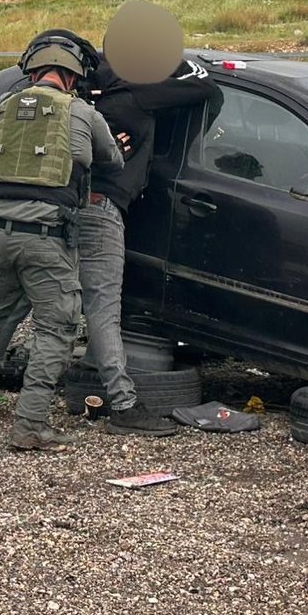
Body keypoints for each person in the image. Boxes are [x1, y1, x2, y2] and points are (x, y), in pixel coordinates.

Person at [0, 32, 123, 451]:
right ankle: (30, 426)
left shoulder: (4, 106)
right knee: (57, 330)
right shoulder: (83, 114)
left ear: (32, 70)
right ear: (74, 77)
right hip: (47, 240)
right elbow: (113, 159)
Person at [79, 53, 221, 436]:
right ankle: (124, 406)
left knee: (14, 302)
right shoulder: (138, 91)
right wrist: (176, 61)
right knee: (103, 309)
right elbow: (205, 86)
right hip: (99, 208)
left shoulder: (82, 95)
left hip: (58, 205)